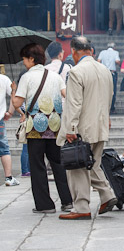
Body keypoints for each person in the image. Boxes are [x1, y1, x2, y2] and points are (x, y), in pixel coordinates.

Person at [56, 36, 117, 220]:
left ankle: (81, 206)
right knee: (93, 164)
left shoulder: (76, 72)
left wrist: (71, 128)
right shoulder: (105, 70)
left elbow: (74, 103)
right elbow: (110, 97)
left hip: (82, 127)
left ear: (74, 51)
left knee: (77, 168)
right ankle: (107, 195)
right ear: (91, 50)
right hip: (100, 125)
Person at [11, 43, 72, 212]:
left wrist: (14, 91)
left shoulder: (27, 77)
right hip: (55, 126)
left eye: (24, 58)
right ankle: (67, 201)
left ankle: (45, 204)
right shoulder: (54, 76)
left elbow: (17, 102)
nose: (23, 62)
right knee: (58, 164)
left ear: (31, 59)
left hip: (35, 129)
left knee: (37, 166)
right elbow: (67, 95)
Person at [0, 72, 20, 186]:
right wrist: (10, 112)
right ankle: (8, 178)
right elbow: (14, 98)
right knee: (4, 149)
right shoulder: (3, 79)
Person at [97, 42, 121, 114]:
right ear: (114, 47)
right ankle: (112, 108)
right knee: (112, 91)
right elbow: (117, 61)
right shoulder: (115, 52)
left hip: (103, 73)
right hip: (112, 73)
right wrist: (119, 65)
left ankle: (104, 107)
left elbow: (98, 61)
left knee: (103, 90)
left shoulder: (102, 52)